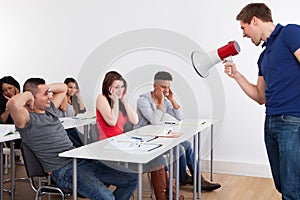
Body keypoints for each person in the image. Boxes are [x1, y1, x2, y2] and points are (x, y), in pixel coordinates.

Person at [7, 77, 137, 200]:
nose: (50, 96)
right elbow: (13, 103)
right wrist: (30, 94)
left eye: (49, 92)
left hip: (81, 162)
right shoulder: (26, 120)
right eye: (46, 94)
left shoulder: (50, 109)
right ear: (32, 97)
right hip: (64, 170)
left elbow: (63, 88)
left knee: (132, 178)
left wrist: (44, 89)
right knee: (107, 197)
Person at [224, 3, 300, 199]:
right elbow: (260, 96)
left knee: (292, 189)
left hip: (293, 120)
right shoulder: (264, 56)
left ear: (255, 20)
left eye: (244, 27)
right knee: (283, 184)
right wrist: (237, 75)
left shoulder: (289, 33)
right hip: (271, 122)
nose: (243, 35)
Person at [96, 71, 184, 200]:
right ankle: (168, 196)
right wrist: (115, 100)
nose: (120, 90)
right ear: (109, 87)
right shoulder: (101, 98)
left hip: (122, 142)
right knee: (157, 159)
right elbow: (111, 121)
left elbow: (135, 120)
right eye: (116, 87)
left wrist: (123, 100)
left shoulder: (120, 102)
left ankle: (169, 195)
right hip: (108, 146)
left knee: (158, 157)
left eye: (122, 87)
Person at [134, 71, 221, 191]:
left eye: (168, 87)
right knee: (179, 148)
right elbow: (155, 121)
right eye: (163, 87)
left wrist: (172, 99)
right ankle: (183, 178)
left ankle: (197, 180)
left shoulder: (164, 99)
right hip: (145, 139)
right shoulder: (143, 101)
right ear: (155, 86)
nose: (166, 90)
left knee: (187, 145)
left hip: (159, 136)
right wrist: (160, 101)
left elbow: (179, 117)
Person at [56, 77, 86, 147]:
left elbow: (82, 110)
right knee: (78, 145)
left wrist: (78, 95)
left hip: (72, 128)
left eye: (75, 88)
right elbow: (64, 108)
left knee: (86, 142)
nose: (72, 90)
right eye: (70, 87)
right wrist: (64, 93)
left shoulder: (73, 99)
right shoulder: (61, 98)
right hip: (63, 129)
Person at [0, 76, 22, 161]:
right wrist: (10, 105)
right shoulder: (2, 102)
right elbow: (1, 121)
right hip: (9, 136)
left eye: (10, 88)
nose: (8, 92)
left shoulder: (25, 99)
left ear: (15, 87)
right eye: (4, 90)